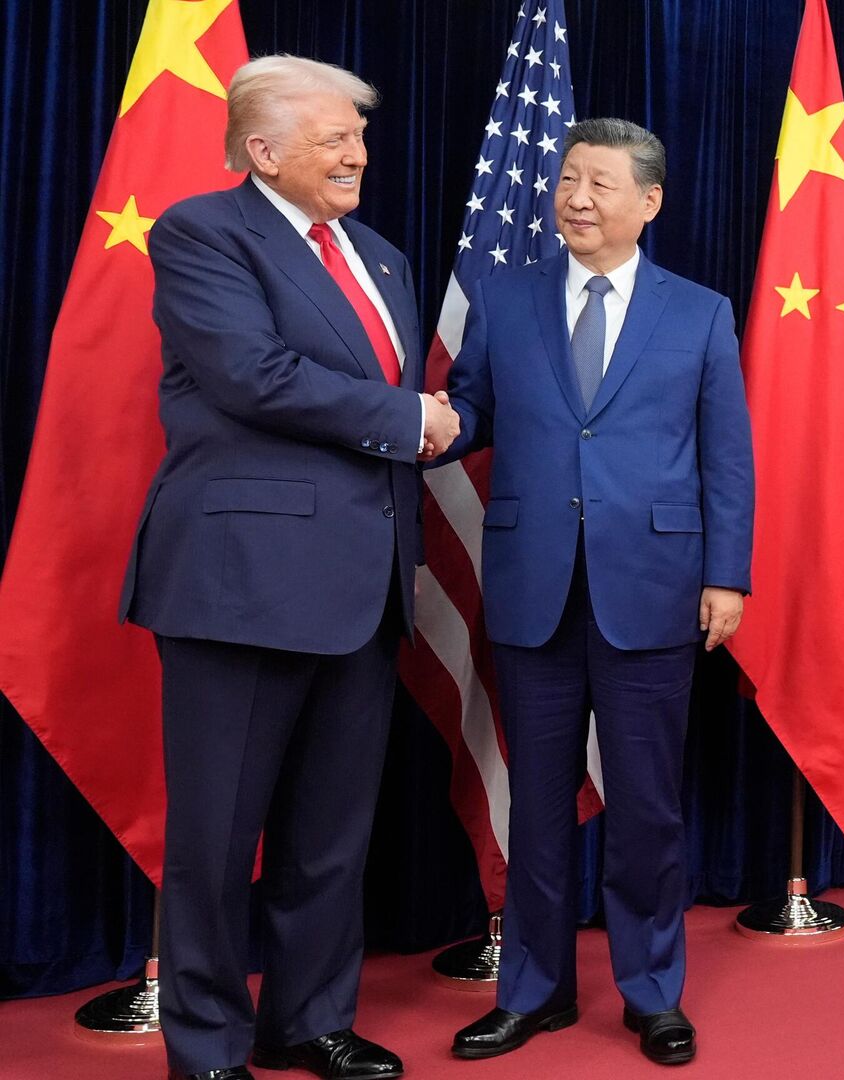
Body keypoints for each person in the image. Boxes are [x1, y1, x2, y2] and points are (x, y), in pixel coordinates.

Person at [123, 56, 455, 1080]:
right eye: (335, 137)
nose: (358, 152)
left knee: (329, 836)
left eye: (359, 135)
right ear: (264, 150)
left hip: (364, 589)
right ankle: (208, 1045)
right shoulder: (201, 234)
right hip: (243, 583)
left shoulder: (386, 260)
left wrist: (449, 421)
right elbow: (252, 374)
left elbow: (405, 397)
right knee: (217, 842)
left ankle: (308, 1020)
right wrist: (410, 420)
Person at [443, 118, 752, 1068]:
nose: (575, 197)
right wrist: (393, 423)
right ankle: (533, 994)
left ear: (648, 202)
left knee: (648, 806)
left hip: (654, 589)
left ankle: (652, 992)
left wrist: (725, 576)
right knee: (534, 803)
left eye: (600, 184)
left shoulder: (699, 313)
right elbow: (467, 413)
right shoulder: (502, 295)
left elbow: (725, 458)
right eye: (568, 179)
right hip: (533, 586)